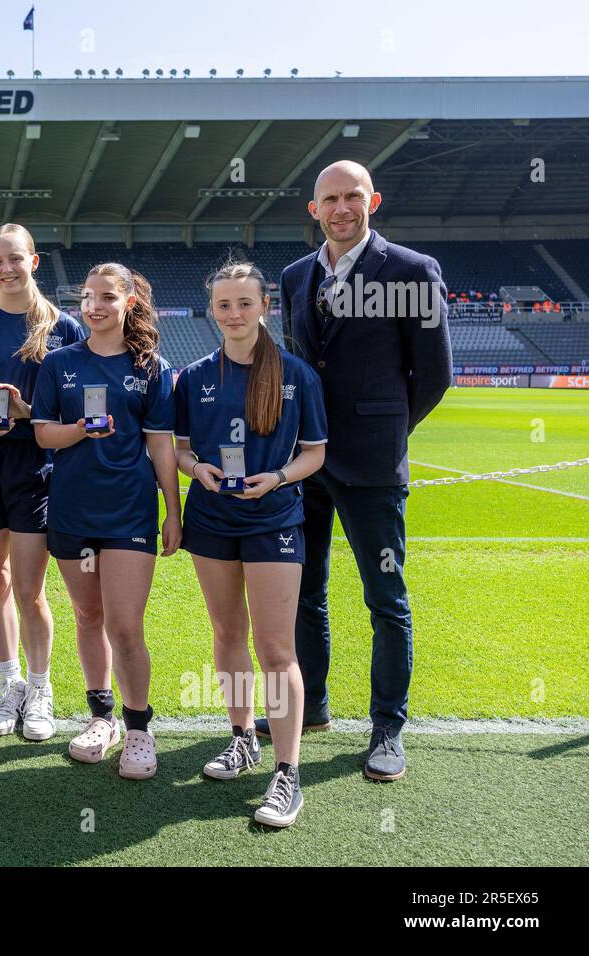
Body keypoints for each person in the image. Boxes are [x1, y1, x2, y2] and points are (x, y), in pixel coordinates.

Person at [268, 160, 452, 781]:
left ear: (372, 200)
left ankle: (386, 728)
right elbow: (296, 365)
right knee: (303, 592)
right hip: (305, 462)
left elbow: (433, 377)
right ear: (312, 209)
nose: (342, 208)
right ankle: (311, 704)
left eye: (352, 196)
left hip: (372, 466)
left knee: (385, 601)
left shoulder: (411, 272)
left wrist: (386, 430)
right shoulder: (296, 276)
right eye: (330, 199)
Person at [174, 260, 328, 828]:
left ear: (266, 306)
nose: (234, 314)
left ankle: (288, 772)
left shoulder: (296, 375)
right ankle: (242, 737)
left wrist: (279, 478)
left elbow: (315, 453)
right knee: (226, 633)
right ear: (212, 311)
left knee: (276, 649)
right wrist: (200, 471)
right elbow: (182, 450)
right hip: (212, 519)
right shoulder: (192, 378)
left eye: (245, 303)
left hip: (275, 520)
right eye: (223, 305)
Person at [31, 263, 180, 779]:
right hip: (73, 508)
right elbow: (44, 435)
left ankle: (139, 727)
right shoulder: (58, 363)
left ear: (129, 304)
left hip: (129, 511)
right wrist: (77, 431)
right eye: (88, 297)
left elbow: (161, 445)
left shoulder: (151, 368)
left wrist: (173, 512)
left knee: (124, 624)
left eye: (107, 298)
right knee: (88, 617)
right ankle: (102, 718)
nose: (94, 306)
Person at [0, 223, 85, 741]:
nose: (6, 268)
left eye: (15, 258)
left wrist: (30, 413)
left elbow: (73, 407)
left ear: (34, 261)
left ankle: (40, 686)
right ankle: (9, 685)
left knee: (30, 588)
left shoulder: (62, 327)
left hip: (37, 465)